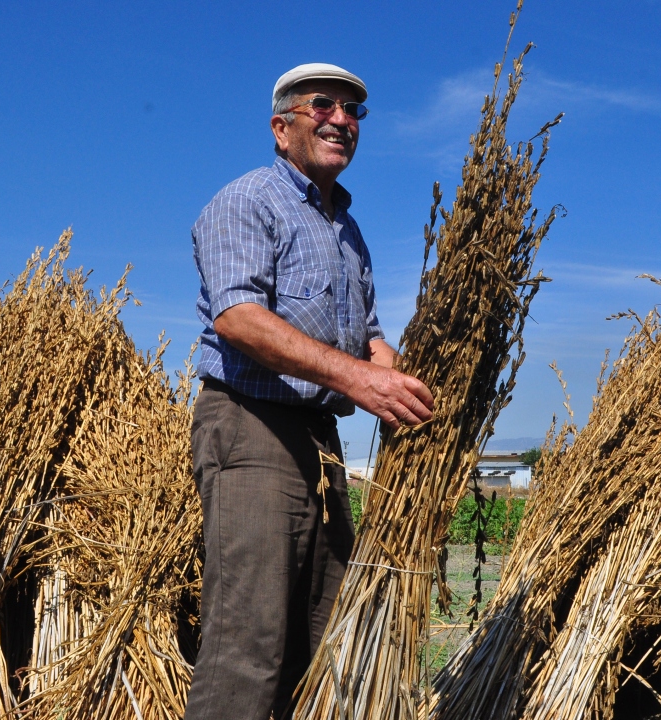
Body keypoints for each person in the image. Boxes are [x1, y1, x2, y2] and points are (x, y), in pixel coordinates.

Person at [186, 63, 435, 720]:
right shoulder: (246, 202)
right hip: (252, 427)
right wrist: (358, 378)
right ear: (280, 127)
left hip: (319, 443)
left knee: (322, 635)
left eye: (355, 111)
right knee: (250, 642)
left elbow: (370, 339)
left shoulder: (346, 231)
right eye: (322, 104)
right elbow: (238, 317)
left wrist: (409, 384)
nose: (342, 120)